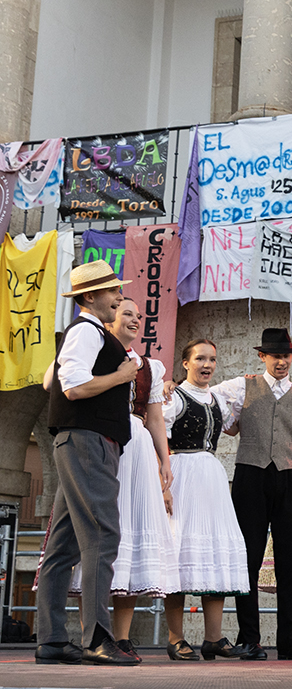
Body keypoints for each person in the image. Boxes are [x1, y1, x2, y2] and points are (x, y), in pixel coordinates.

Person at [63, 299, 179, 662]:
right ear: (111, 317)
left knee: (127, 532)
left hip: (138, 446)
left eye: (138, 316)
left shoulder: (150, 366)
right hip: (101, 438)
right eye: (127, 312)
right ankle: (95, 634)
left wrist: (165, 461)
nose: (134, 319)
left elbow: (156, 418)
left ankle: (122, 636)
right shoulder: (95, 351)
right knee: (103, 529)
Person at [36, 260, 139, 666]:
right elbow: (73, 387)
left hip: (80, 441)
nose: (119, 296)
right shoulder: (87, 330)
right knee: (101, 535)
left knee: (63, 546)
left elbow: (49, 381)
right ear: (91, 296)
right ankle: (96, 637)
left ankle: (52, 640)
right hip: (87, 440)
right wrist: (122, 374)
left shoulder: (81, 334)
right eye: (113, 290)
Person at [212, 328, 292, 661]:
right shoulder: (242, 386)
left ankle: (290, 638)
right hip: (250, 475)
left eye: (287, 356)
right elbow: (205, 395)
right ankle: (250, 638)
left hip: (288, 479)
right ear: (263, 357)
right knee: (248, 559)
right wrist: (173, 386)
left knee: (291, 562)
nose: (282, 361)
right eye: (276, 356)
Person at [162, 339, 249, 661]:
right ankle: (175, 637)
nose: (206, 364)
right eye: (200, 358)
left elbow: (232, 426)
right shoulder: (173, 396)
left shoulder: (217, 399)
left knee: (214, 552)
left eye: (212, 359)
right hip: (182, 471)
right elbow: (160, 435)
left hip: (211, 476)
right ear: (186, 362)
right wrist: (163, 481)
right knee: (180, 550)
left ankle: (213, 637)